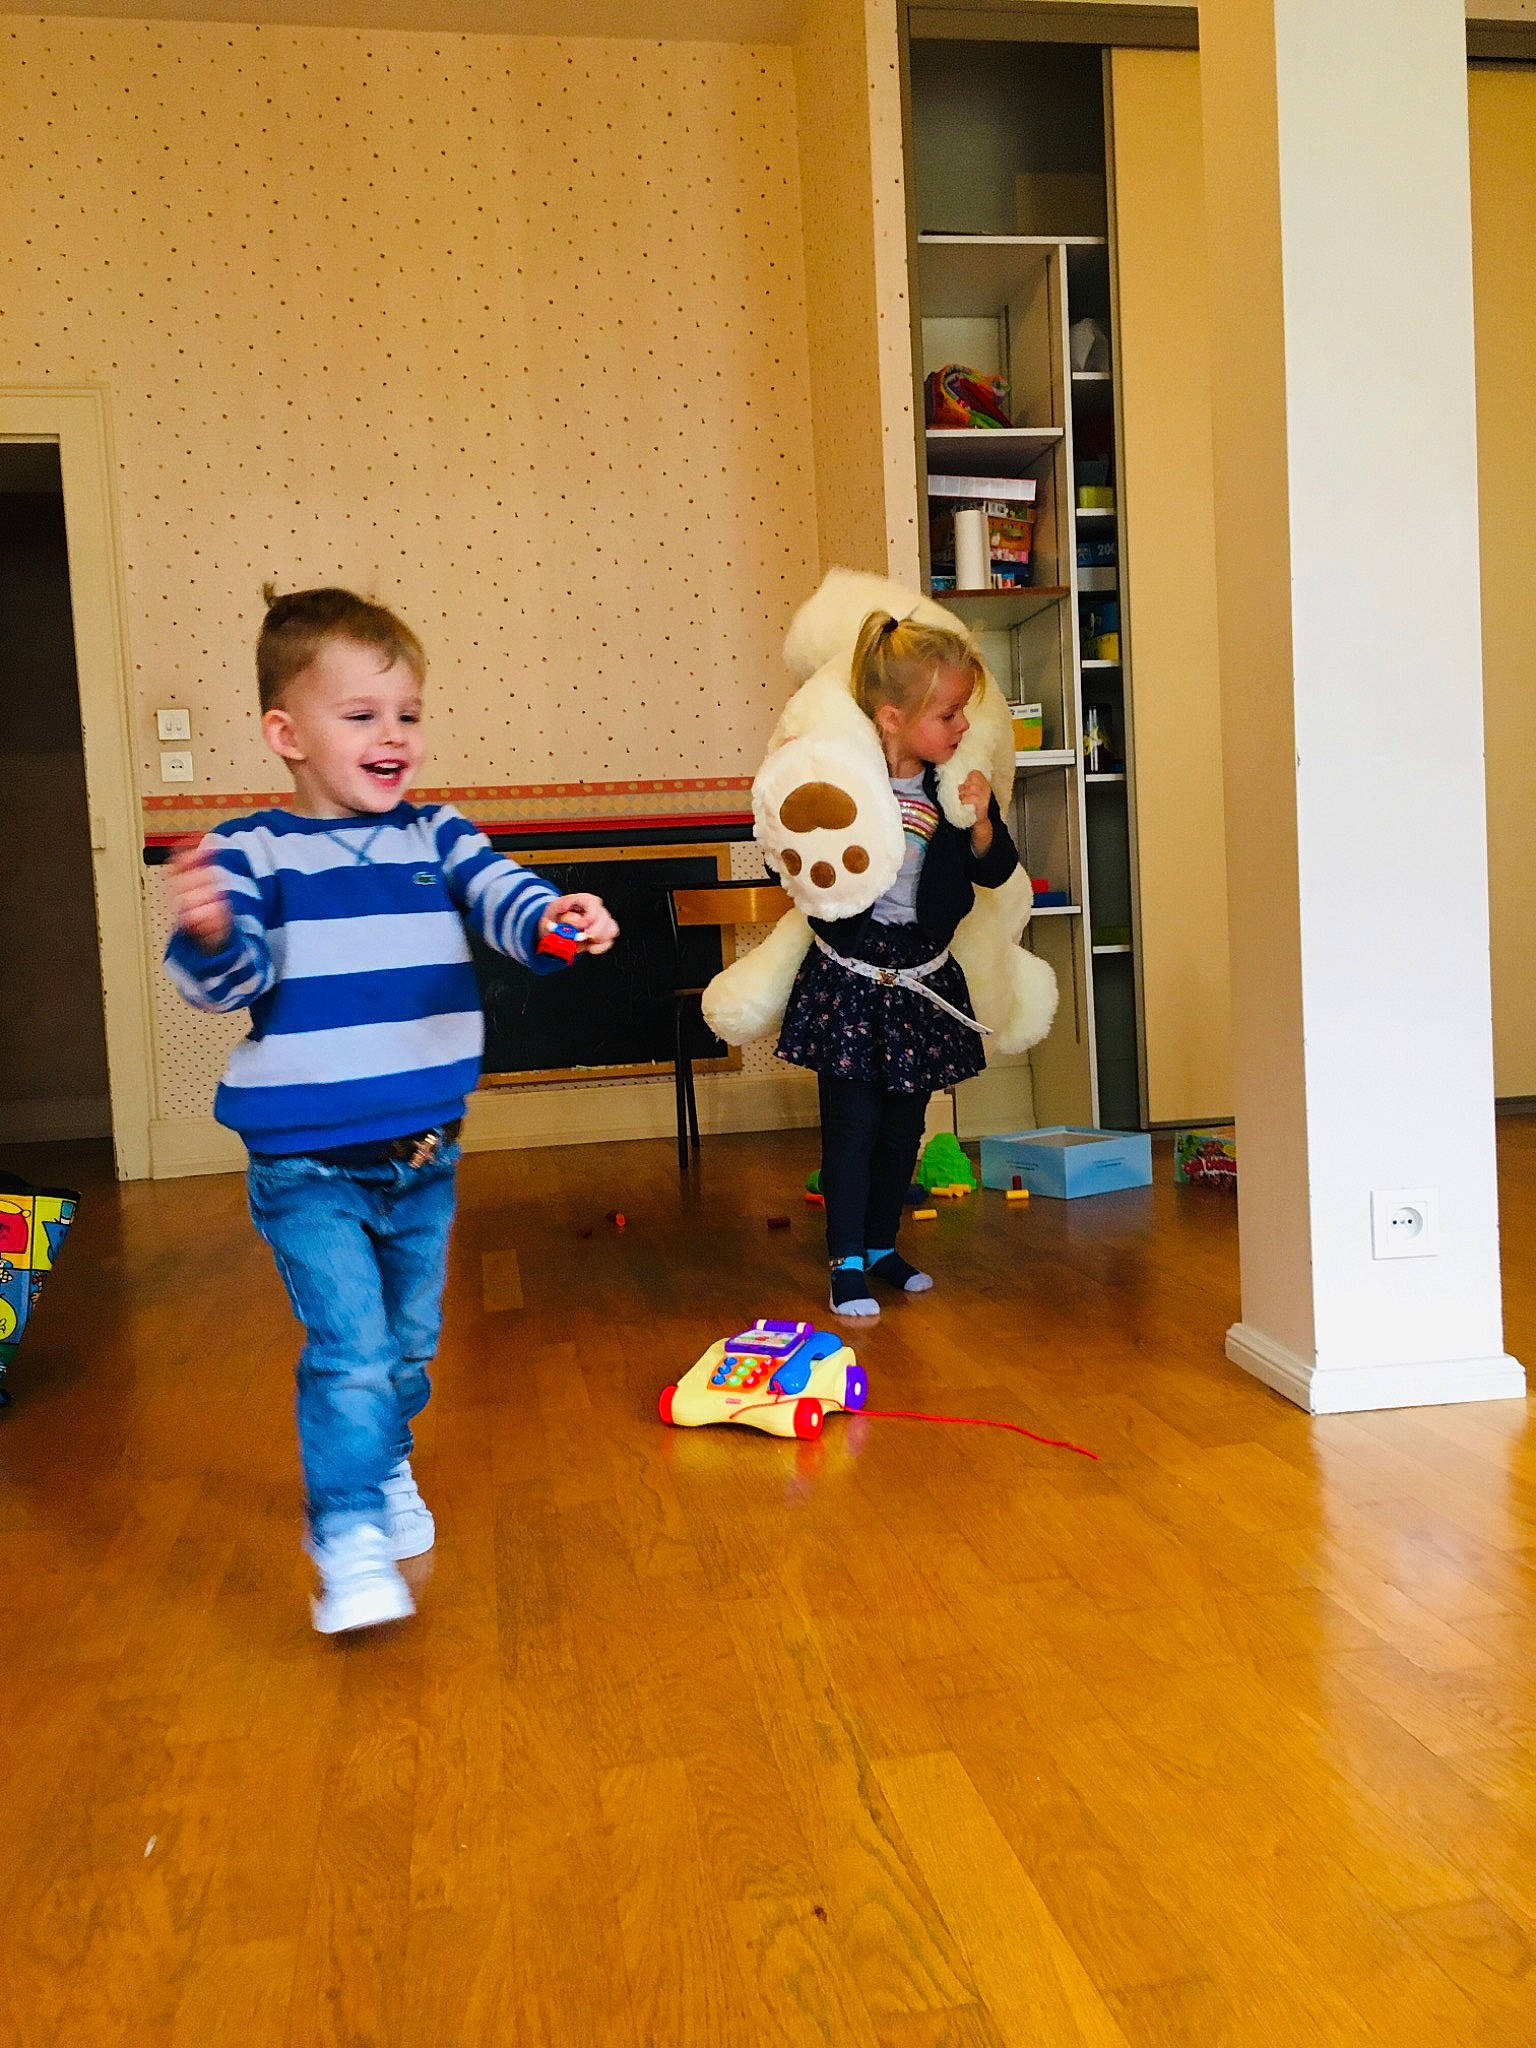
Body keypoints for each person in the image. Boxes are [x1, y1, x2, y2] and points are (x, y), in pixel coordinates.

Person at [164, 587, 618, 1634]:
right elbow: (223, 983)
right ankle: (349, 1532)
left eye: (407, 713)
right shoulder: (252, 852)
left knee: (407, 1352)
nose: (393, 736)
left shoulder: (439, 832)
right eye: (361, 715)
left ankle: (382, 1455)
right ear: (287, 733)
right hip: (306, 1164)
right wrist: (205, 930)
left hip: (425, 1154)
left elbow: (508, 899)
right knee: (350, 1350)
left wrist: (558, 919)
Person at [777, 610, 1018, 1319]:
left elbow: (995, 867)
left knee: (904, 1126)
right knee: (851, 1130)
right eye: (948, 714)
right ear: (890, 717)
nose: (962, 728)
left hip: (921, 977)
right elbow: (799, 862)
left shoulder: (953, 790)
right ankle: (845, 1258)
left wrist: (980, 825)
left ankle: (880, 1244)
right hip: (853, 980)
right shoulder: (845, 787)